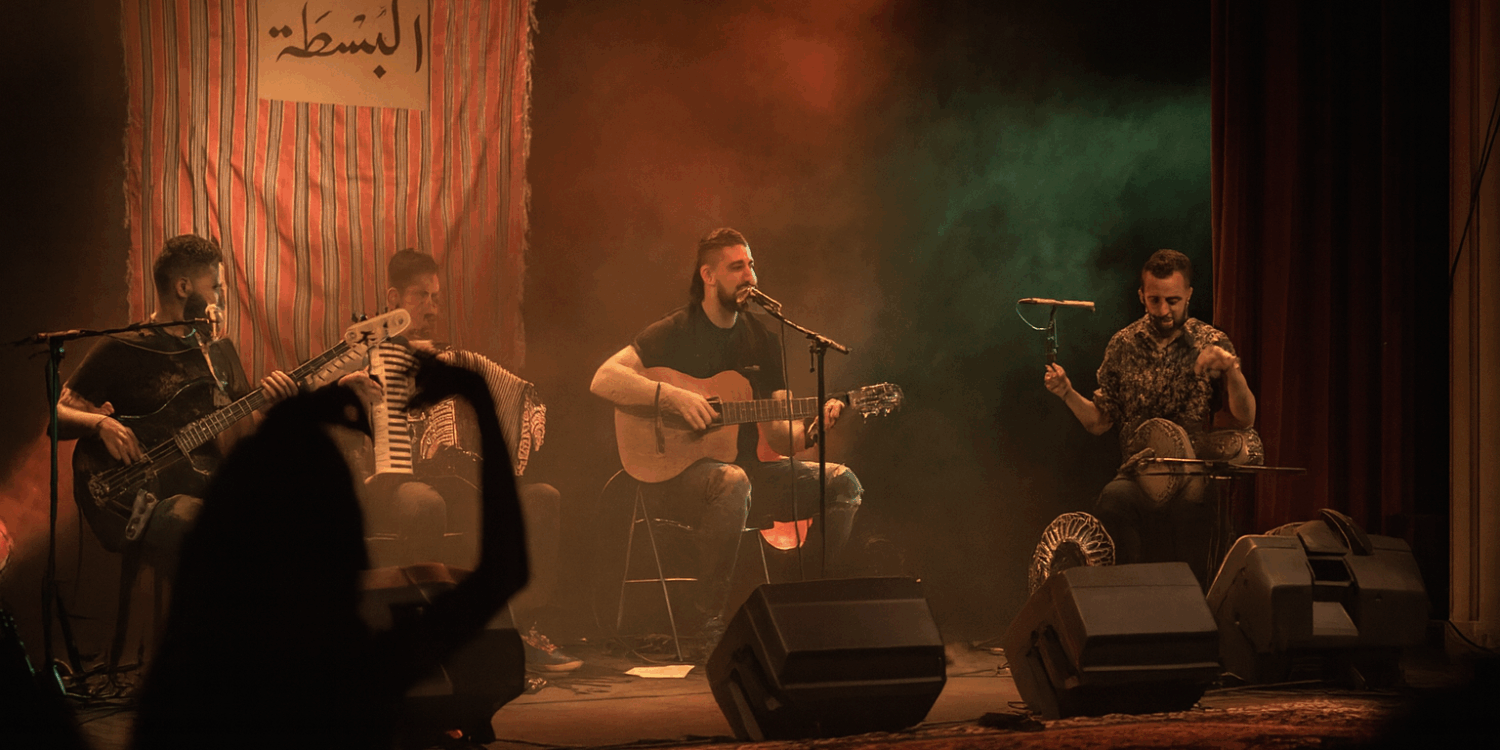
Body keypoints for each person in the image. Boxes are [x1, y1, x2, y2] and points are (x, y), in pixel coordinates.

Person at [131, 363, 529, 749]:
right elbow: (506, 571)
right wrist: (479, 397)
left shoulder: (184, 692)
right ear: (348, 539)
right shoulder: (369, 671)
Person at [589, 227, 864, 645]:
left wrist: (812, 430)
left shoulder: (762, 339)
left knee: (844, 484)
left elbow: (780, 437)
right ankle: (704, 625)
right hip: (672, 481)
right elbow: (604, 378)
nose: (750, 275)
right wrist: (671, 398)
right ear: (708, 275)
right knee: (732, 482)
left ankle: (804, 607)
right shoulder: (676, 329)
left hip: (744, 478)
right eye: (737, 267)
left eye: (751, 265)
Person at [340, 249, 581, 673]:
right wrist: (348, 390)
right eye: (421, 296)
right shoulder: (367, 355)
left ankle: (520, 629)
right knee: (425, 504)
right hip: (391, 484)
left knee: (542, 498)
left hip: (456, 484)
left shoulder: (450, 360)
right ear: (394, 299)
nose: (432, 307)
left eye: (436, 297)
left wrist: (520, 418)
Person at [57, 233, 296, 570]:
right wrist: (100, 424)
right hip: (139, 499)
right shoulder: (124, 347)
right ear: (183, 287)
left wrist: (277, 409)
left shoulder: (219, 353)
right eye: (215, 287)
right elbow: (57, 417)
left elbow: (242, 437)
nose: (220, 299)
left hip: (208, 487)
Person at [1043, 248, 1257, 584]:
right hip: (1139, 474)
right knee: (1112, 501)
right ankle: (1129, 601)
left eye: (1173, 301)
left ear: (1188, 294)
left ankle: (1194, 607)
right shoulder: (1123, 345)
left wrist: (1232, 370)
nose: (1164, 310)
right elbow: (1098, 422)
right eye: (1155, 300)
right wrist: (1067, 392)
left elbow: (1245, 419)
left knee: (1196, 514)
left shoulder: (1211, 342)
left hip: (1190, 475)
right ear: (1141, 295)